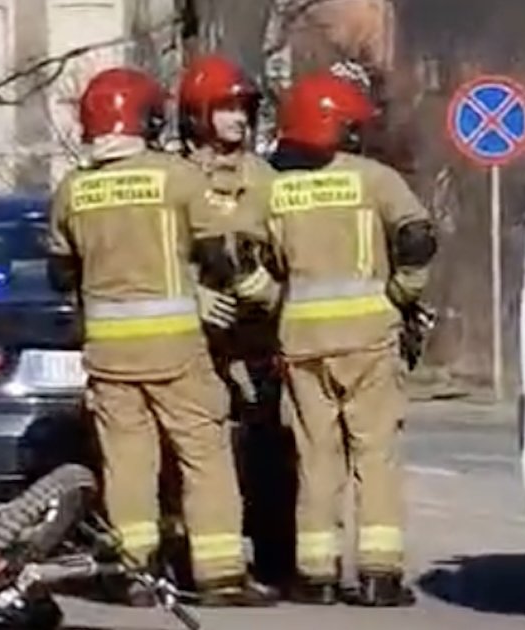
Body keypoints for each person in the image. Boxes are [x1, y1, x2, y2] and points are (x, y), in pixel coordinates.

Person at [46, 66, 277, 606]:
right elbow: (222, 253)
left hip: (109, 358)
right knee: (205, 457)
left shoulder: (72, 191)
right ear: (148, 117)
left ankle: (137, 577)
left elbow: (61, 273)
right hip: (177, 353)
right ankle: (220, 575)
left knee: (128, 466)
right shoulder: (176, 177)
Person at [230, 72, 436, 606]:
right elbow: (417, 238)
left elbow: (236, 262)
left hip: (301, 344)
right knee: (375, 457)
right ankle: (379, 575)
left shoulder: (269, 189)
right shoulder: (375, 180)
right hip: (370, 339)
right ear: (336, 126)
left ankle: (316, 575)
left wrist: (275, 300)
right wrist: (401, 293)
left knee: (316, 459)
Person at [177, 53, 297, 590]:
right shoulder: (172, 178)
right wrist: (192, 297)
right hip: (189, 341)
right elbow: (149, 260)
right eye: (226, 109)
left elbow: (297, 250)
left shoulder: (266, 180)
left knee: (270, 446)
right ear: (198, 114)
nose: (239, 120)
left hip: (256, 339)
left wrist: (274, 294)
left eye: (244, 109)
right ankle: (184, 550)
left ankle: (276, 552)